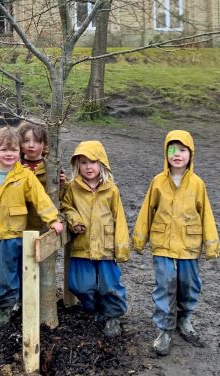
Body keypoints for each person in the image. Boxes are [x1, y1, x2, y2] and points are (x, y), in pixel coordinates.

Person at [132, 130, 220, 355]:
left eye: (182, 150)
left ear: (191, 153)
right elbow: (146, 211)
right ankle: (165, 328)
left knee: (189, 286)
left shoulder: (198, 184)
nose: (177, 154)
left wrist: (210, 245)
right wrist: (139, 239)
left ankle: (184, 318)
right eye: (172, 149)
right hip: (163, 244)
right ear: (166, 152)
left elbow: (206, 214)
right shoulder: (158, 182)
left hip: (189, 245)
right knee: (165, 286)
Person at [0, 126, 64, 332]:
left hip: (11, 236)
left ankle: (3, 312)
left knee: (6, 275)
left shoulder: (25, 176)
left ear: (19, 152)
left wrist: (52, 219)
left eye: (13, 150)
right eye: (4, 150)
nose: (9, 154)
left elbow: (40, 199)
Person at [60, 140, 130, 338]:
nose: (88, 167)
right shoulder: (72, 188)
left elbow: (120, 219)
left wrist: (122, 247)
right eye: (83, 162)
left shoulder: (111, 189)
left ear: (102, 164)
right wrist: (74, 220)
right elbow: (66, 206)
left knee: (110, 285)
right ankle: (96, 306)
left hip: (106, 246)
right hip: (81, 245)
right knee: (78, 285)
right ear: (77, 165)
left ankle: (113, 316)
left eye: (93, 162)